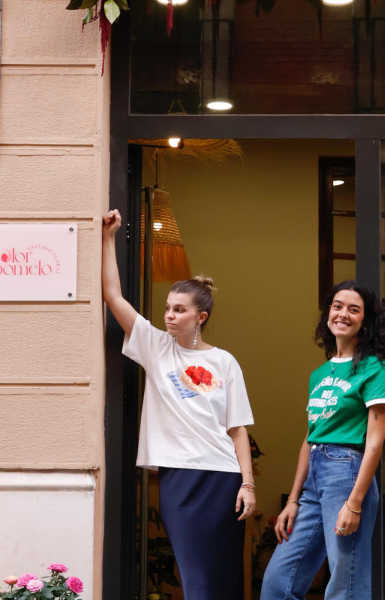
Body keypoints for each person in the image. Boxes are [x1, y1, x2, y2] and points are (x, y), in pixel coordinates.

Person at [102, 209, 256, 600]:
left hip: (223, 477)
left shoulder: (224, 361)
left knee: (223, 580)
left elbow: (238, 428)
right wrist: (107, 239)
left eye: (180, 310)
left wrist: (248, 485)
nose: (169, 315)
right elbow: (113, 296)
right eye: (168, 308)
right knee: (196, 578)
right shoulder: (156, 347)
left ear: (200, 317)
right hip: (179, 478)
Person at [261, 280, 385, 600]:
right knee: (277, 582)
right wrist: (293, 500)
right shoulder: (319, 374)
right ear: (328, 313)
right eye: (337, 306)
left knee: (345, 581)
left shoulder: (376, 368)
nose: (343, 314)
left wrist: (354, 502)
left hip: (347, 473)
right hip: (314, 474)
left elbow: (375, 444)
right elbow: (310, 438)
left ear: (365, 321)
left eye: (354, 309)